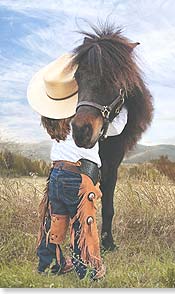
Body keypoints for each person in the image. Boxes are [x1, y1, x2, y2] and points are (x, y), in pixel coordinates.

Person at [27, 53, 128, 280]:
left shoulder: (52, 120)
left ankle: (49, 264)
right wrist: (125, 106)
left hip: (56, 174)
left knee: (54, 219)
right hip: (80, 176)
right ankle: (88, 270)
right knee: (84, 223)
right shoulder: (82, 119)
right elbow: (117, 129)